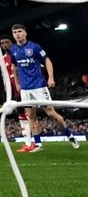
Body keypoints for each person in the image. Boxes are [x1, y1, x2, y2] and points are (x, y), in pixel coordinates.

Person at [8, 23, 79, 152]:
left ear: (25, 33)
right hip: (25, 89)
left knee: (50, 113)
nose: (17, 34)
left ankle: (70, 136)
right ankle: (38, 145)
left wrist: (50, 78)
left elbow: (47, 60)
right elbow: (14, 67)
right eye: (15, 32)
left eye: (19, 31)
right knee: (30, 115)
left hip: (39, 86)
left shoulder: (34, 47)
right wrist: (17, 84)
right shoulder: (13, 50)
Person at [0, 35, 32, 152]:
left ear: (11, 43)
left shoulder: (19, 53)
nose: (4, 44)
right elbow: (4, 74)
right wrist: (6, 86)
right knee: (22, 114)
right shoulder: (3, 58)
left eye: (6, 42)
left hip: (25, 87)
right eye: (2, 43)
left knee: (31, 114)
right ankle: (29, 143)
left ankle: (34, 142)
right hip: (13, 89)